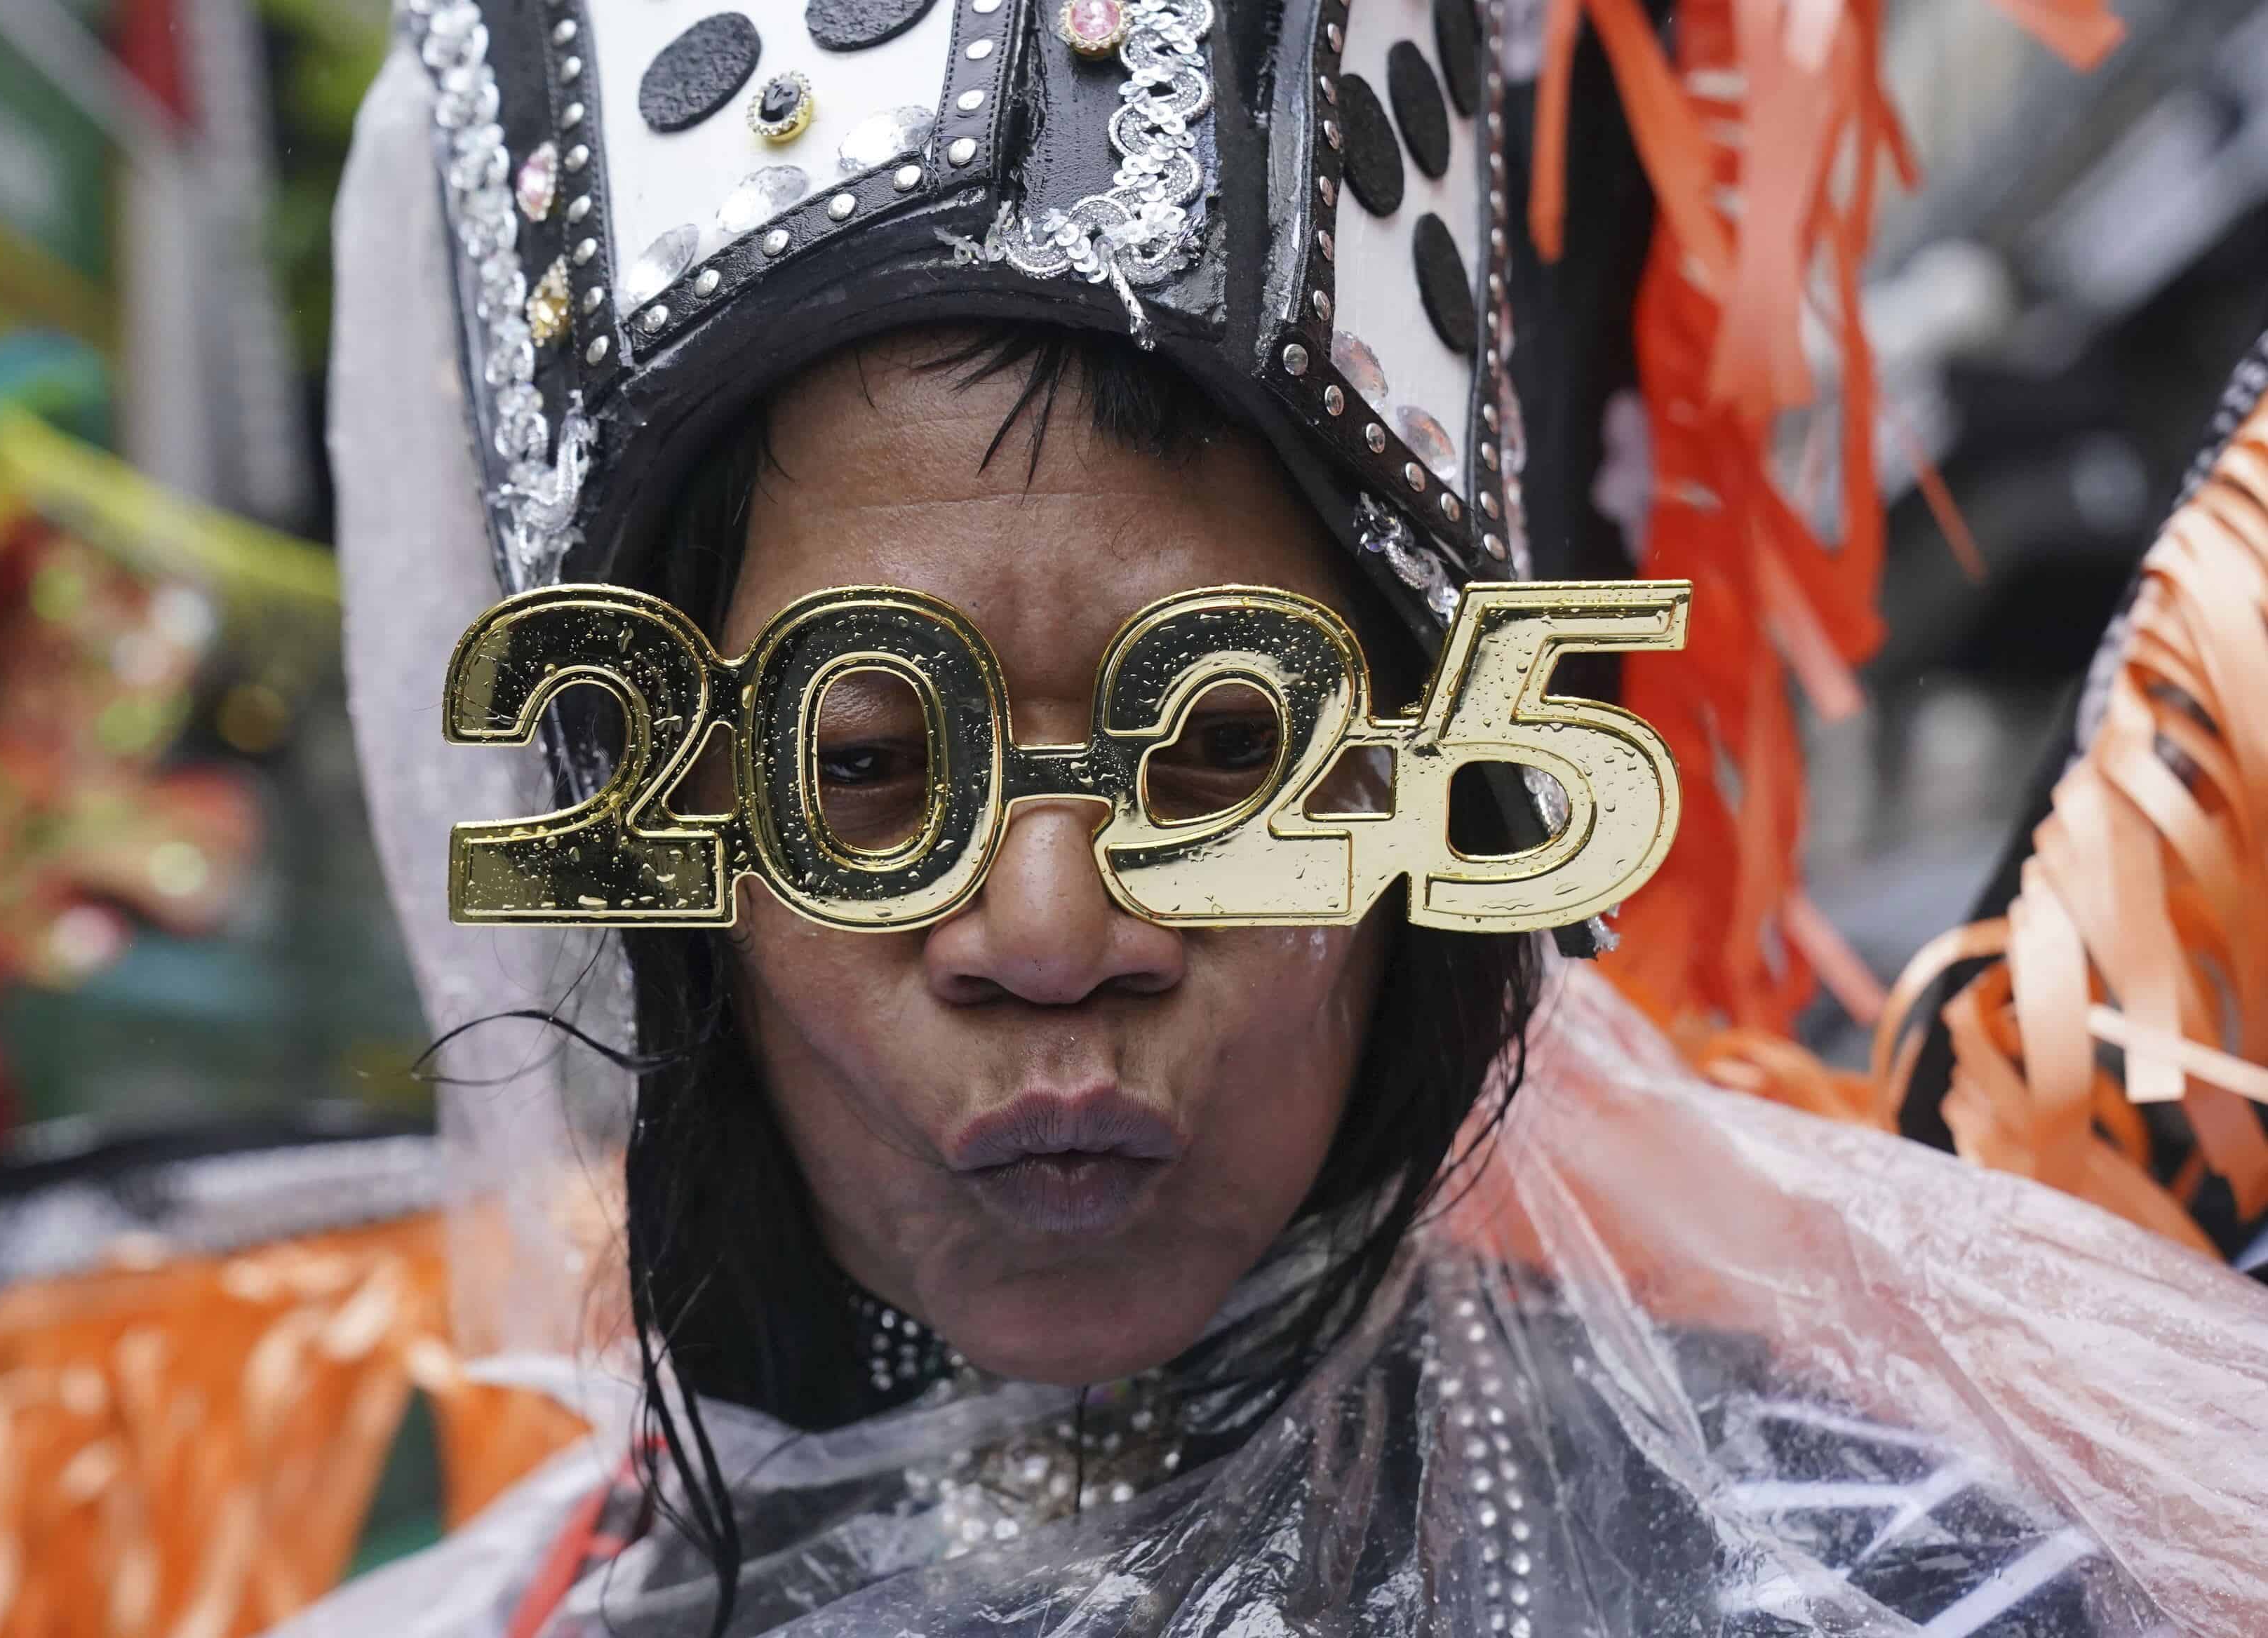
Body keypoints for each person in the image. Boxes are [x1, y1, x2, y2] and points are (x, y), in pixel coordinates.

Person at [307, 2, 2268, 1634]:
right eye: (869, 768)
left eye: (1223, 745)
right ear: (660, 828)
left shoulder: (1885, 1573)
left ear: (1435, 781)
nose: (1057, 934)